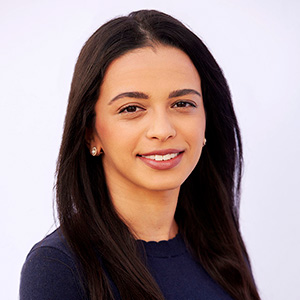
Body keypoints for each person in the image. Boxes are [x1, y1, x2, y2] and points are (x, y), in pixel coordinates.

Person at [20, 9, 260, 300]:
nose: (162, 130)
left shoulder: (220, 249)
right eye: (131, 108)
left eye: (182, 103)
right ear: (90, 132)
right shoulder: (60, 267)